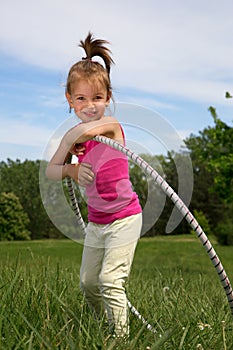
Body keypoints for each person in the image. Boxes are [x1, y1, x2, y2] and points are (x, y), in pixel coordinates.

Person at [46, 32, 142, 338]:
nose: (90, 106)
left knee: (110, 279)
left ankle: (121, 338)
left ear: (108, 99)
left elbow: (86, 133)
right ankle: (107, 323)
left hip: (125, 218)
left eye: (97, 98)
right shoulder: (75, 138)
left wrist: (71, 144)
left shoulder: (111, 128)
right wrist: (71, 172)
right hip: (97, 223)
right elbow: (51, 171)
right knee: (88, 283)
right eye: (81, 99)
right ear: (70, 100)